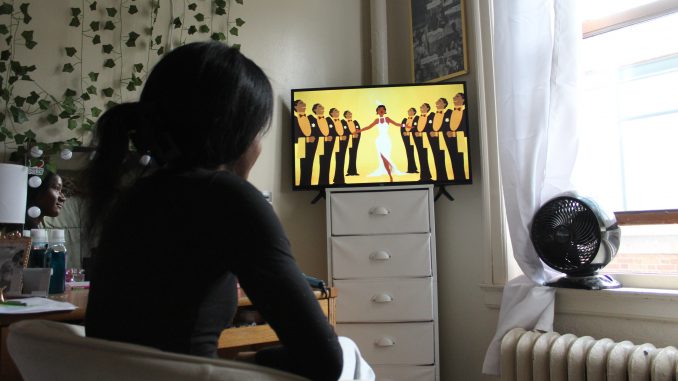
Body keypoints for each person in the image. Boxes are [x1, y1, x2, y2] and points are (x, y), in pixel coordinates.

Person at [83, 41, 361, 381]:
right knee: (351, 357)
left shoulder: (133, 195)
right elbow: (324, 361)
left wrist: (242, 359)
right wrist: (250, 360)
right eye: (258, 133)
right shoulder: (228, 196)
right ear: (235, 134)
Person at [360, 105, 404, 182]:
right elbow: (368, 127)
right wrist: (359, 131)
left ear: (384, 111)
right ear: (377, 111)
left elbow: (397, 124)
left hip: (387, 140)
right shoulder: (377, 120)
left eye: (383, 109)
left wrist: (405, 125)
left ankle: (390, 171)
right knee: (383, 157)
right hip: (379, 140)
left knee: (386, 156)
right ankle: (390, 174)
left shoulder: (387, 119)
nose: (381, 110)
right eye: (379, 109)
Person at [293, 99, 318, 187]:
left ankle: (308, 184)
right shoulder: (295, 119)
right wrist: (307, 140)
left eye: (304, 102)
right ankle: (303, 184)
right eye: (301, 103)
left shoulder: (310, 118)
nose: (304, 104)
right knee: (303, 166)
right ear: (296, 107)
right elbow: (295, 136)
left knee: (310, 165)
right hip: (302, 146)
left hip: (312, 146)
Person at [443, 92, 468, 180]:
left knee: (460, 160)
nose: (454, 97)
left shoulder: (466, 112)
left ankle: (461, 178)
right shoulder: (449, 112)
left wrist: (455, 133)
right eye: (454, 96)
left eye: (457, 96)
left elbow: (466, 128)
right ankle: (456, 178)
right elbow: (444, 126)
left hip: (460, 139)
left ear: (463, 100)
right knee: (453, 159)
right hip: (449, 140)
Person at [308, 103, 335, 186]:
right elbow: (312, 133)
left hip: (328, 145)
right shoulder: (312, 120)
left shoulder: (328, 120)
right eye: (319, 106)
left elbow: (333, 131)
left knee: (326, 163)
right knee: (312, 163)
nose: (322, 107)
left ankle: (324, 182)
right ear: (315, 110)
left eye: (322, 106)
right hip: (317, 144)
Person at [426, 97, 452, 181]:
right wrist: (430, 132)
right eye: (437, 101)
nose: (437, 102)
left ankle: (445, 178)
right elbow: (428, 126)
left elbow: (448, 126)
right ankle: (441, 178)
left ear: (444, 104)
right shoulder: (432, 115)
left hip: (445, 139)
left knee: (448, 157)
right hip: (434, 139)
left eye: (440, 101)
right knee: (437, 158)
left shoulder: (448, 114)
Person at [413, 103, 433, 181]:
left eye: (423, 106)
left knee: (428, 156)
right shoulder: (417, 118)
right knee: (421, 157)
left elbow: (431, 127)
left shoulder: (430, 117)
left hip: (427, 139)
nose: (421, 107)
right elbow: (413, 127)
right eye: (421, 106)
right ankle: (424, 176)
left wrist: (422, 133)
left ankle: (427, 176)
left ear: (427, 108)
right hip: (418, 140)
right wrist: (415, 132)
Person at [329, 108, 349, 185]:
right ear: (331, 113)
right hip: (331, 143)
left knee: (341, 161)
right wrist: (340, 137)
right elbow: (329, 132)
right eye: (335, 111)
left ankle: (339, 180)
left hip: (342, 144)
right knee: (328, 161)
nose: (338, 112)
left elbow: (347, 131)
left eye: (338, 111)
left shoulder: (342, 121)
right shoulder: (329, 121)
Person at [342, 110, 361, 176]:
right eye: (348, 113)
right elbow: (343, 131)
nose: (350, 114)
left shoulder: (355, 122)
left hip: (354, 141)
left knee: (353, 155)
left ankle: (353, 171)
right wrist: (351, 135)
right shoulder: (343, 122)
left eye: (350, 113)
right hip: (346, 141)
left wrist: (357, 134)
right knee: (342, 156)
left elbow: (359, 130)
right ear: (345, 115)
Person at [400, 107, 419, 174]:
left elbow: (416, 128)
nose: (409, 111)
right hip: (407, 139)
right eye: (409, 110)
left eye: (411, 110)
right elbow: (402, 128)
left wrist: (409, 132)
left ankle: (414, 168)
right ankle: (411, 169)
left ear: (414, 112)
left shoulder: (416, 119)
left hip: (414, 138)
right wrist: (404, 133)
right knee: (409, 153)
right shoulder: (405, 120)